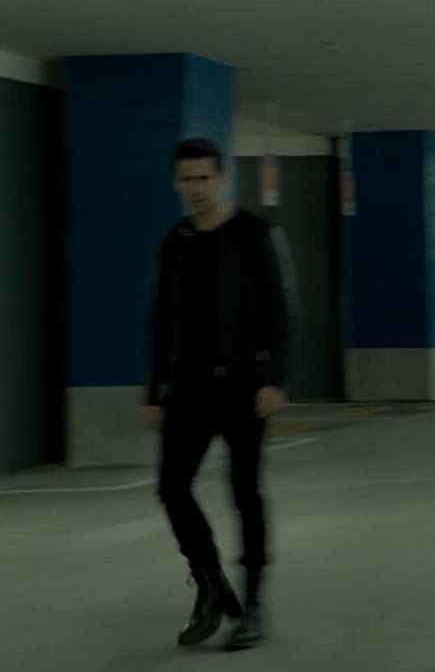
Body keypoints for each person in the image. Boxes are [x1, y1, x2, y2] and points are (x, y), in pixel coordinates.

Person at [142, 138, 296, 652]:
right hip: (188, 388)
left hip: (244, 388)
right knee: (172, 488)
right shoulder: (176, 241)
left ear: (222, 178)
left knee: (245, 492)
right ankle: (210, 582)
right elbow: (160, 320)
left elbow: (281, 309)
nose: (196, 188)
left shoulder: (253, 232)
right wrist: (154, 391)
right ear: (175, 183)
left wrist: (275, 379)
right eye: (187, 179)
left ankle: (254, 605)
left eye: (204, 178)